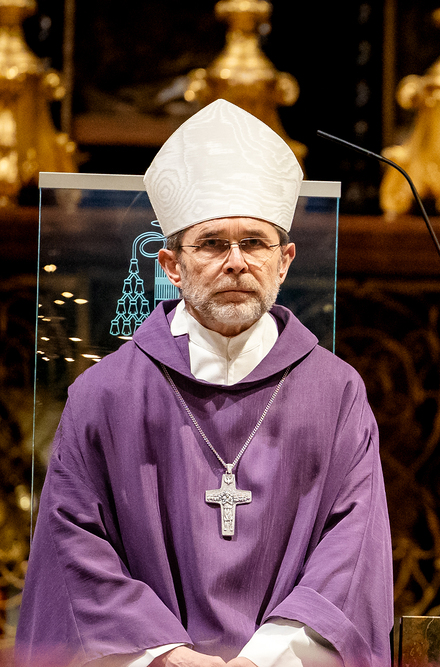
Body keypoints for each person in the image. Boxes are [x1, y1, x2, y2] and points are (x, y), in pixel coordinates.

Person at [16, 100, 393, 667]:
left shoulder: (337, 393)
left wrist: (265, 659)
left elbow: (353, 550)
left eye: (255, 243)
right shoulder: (105, 394)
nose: (236, 262)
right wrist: (166, 655)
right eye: (213, 243)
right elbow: (73, 548)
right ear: (171, 265)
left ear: (285, 261)